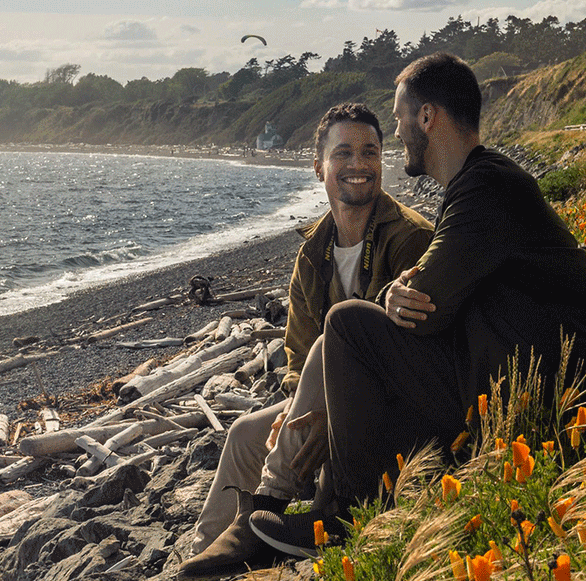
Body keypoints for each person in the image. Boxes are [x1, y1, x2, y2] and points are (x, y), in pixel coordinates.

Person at [248, 53, 586, 558]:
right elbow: (433, 291)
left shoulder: (487, 185)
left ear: (427, 116)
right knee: (361, 342)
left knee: (347, 326)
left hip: (556, 390)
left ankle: (344, 518)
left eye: (402, 116)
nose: (399, 131)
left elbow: (427, 306)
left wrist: (392, 294)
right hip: (526, 374)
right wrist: (404, 293)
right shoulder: (475, 186)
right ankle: (324, 506)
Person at [179, 103, 433, 575]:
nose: (358, 164)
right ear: (319, 167)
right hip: (321, 400)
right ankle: (206, 556)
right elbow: (298, 353)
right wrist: (298, 407)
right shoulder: (312, 251)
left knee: (335, 332)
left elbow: (415, 351)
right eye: (344, 153)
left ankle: (270, 517)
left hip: (390, 406)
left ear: (382, 160)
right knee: (245, 433)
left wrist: (326, 414)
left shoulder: (411, 238)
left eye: (370, 152)